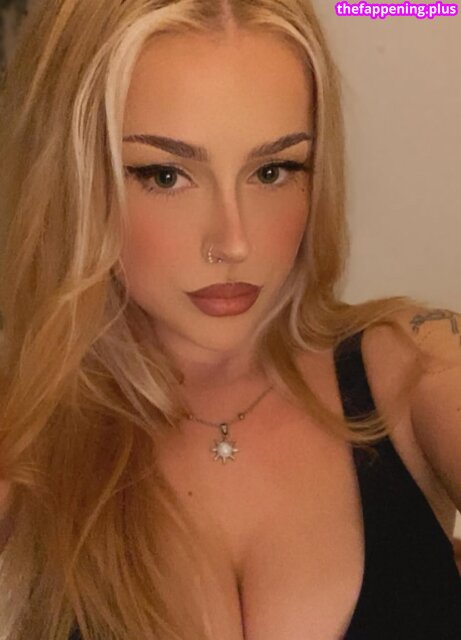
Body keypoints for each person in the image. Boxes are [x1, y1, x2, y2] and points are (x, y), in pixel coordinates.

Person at [0, 1, 460, 639]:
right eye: (165, 175)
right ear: (71, 182)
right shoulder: (23, 442)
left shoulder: (413, 366)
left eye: (272, 171)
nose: (234, 242)